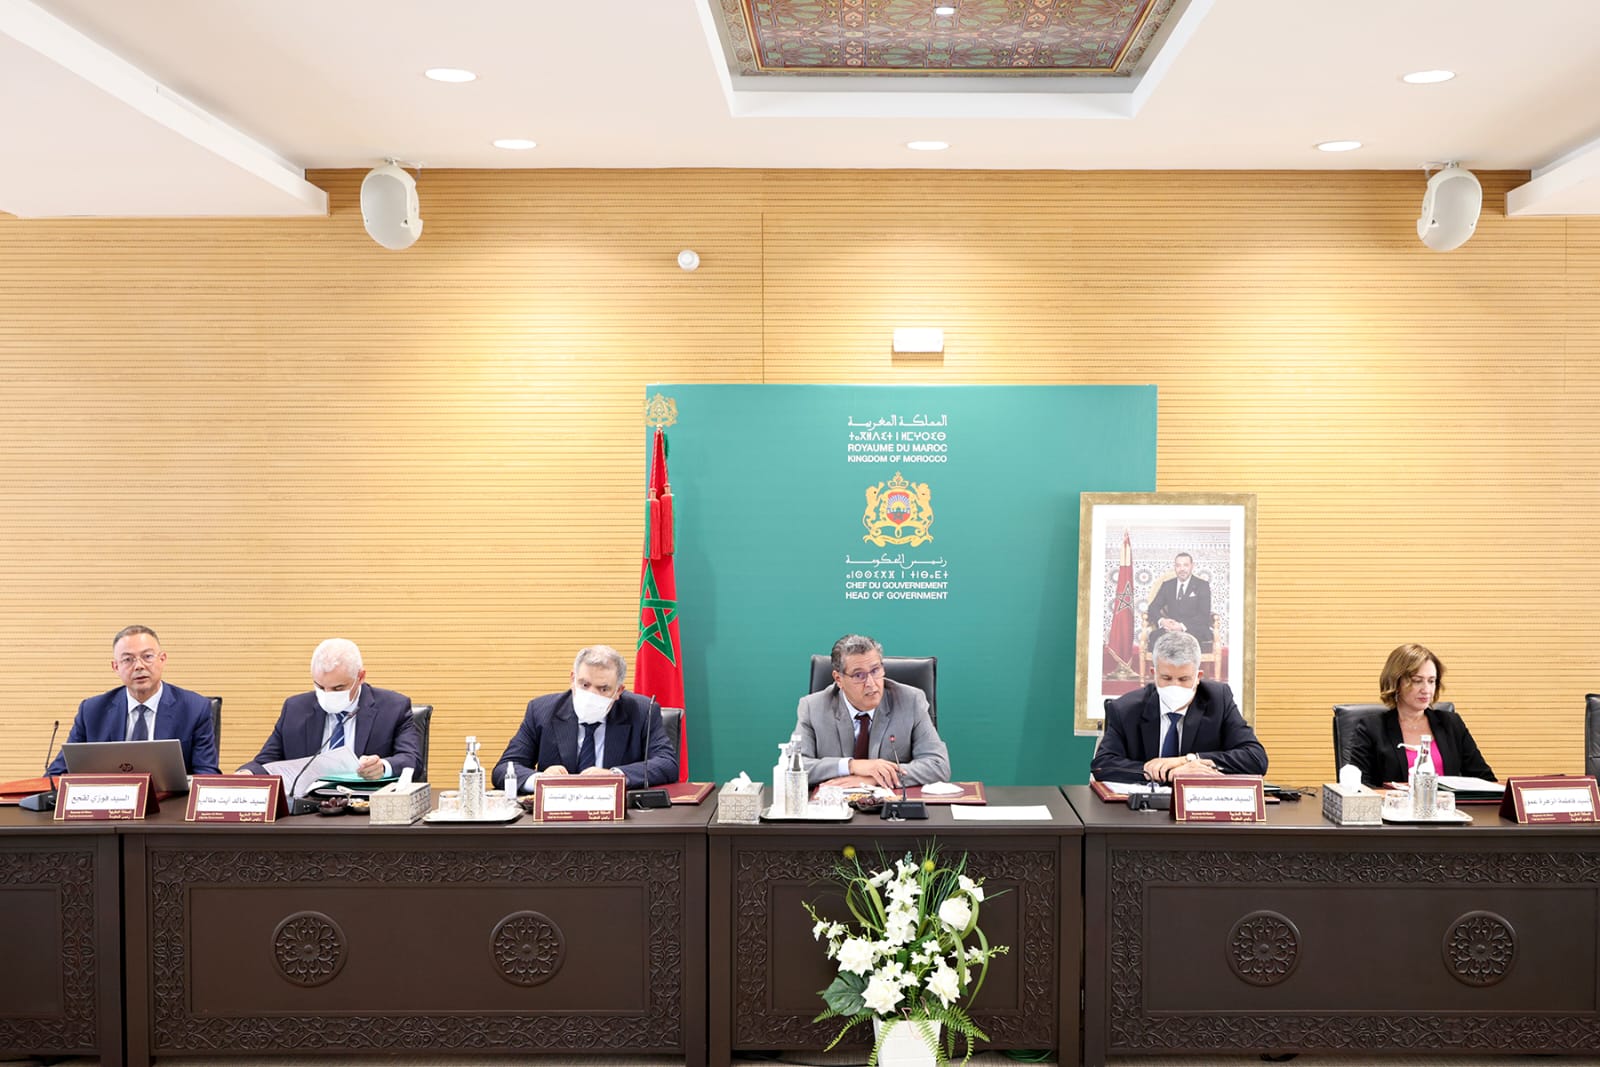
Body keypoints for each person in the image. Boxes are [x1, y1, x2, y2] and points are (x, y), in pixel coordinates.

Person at [491, 645, 676, 792]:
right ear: (573, 680)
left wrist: (615, 776)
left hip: (619, 818)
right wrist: (540, 780)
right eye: (585, 685)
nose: (591, 695)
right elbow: (504, 768)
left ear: (619, 691)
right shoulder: (541, 711)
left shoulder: (642, 711)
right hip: (556, 818)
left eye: (603, 689)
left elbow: (667, 764)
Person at [1092, 630, 1266, 783]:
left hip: (1199, 805)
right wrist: (1165, 772)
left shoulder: (1218, 700)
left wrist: (1187, 760)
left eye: (1184, 679)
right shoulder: (1125, 708)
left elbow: (1255, 758)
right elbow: (1102, 765)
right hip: (1143, 807)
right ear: (1154, 674)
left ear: (1198, 677)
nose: (1175, 686)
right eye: (1166, 678)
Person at [47, 625, 219, 776]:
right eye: (128, 659)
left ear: (162, 659)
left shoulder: (194, 709)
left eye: (147, 656)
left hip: (172, 802)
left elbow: (206, 776)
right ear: (116, 667)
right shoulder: (92, 711)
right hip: (111, 800)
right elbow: (57, 774)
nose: (139, 666)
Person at [239, 638, 421, 779]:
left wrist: (383, 767)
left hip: (365, 806)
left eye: (338, 688)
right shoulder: (295, 709)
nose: (327, 694)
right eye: (320, 686)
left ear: (360, 677)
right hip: (308, 806)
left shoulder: (393, 707)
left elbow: (411, 760)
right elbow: (265, 761)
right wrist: (246, 774)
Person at [796, 633, 950, 789]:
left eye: (875, 670)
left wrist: (874, 779)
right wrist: (851, 766)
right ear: (838, 679)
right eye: (859, 675)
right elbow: (794, 766)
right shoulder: (812, 707)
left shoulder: (911, 701)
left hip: (891, 802)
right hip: (834, 802)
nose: (871, 683)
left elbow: (938, 765)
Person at [1346, 642, 1496, 788]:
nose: (1426, 689)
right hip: (1394, 805)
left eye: (1431, 681)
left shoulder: (1451, 723)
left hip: (1448, 805)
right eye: (1417, 681)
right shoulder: (1371, 728)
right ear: (1396, 683)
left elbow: (1485, 779)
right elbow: (1359, 788)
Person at [1145, 551, 1213, 650]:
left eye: (1185, 565)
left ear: (1192, 566)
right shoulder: (1167, 585)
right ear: (1175, 567)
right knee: (1155, 637)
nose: (1182, 569)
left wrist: (1181, 626)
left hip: (1193, 629)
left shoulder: (1202, 585)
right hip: (1169, 630)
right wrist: (1163, 621)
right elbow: (1153, 607)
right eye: (1178, 565)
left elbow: (1204, 614)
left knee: (1183, 643)